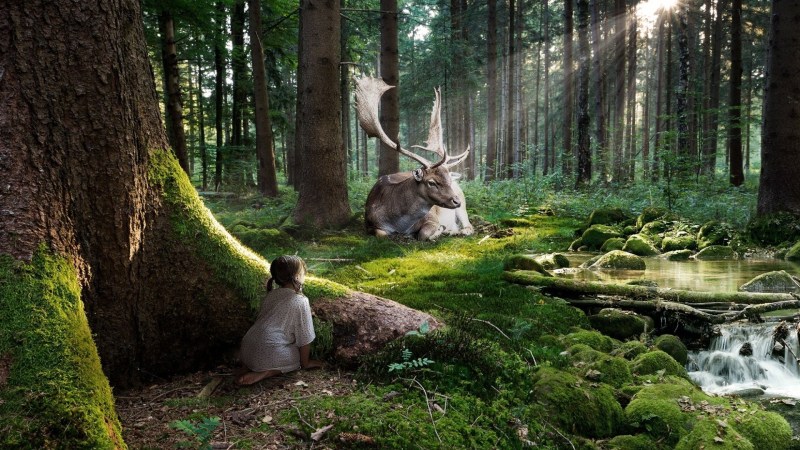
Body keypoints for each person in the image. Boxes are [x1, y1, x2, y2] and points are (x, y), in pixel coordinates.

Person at [237, 255, 323, 385]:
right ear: (297, 276)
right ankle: (267, 372)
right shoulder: (300, 300)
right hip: (269, 352)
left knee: (276, 343)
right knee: (295, 356)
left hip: (246, 347)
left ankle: (249, 366)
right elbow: (305, 337)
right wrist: (305, 363)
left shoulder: (271, 295)